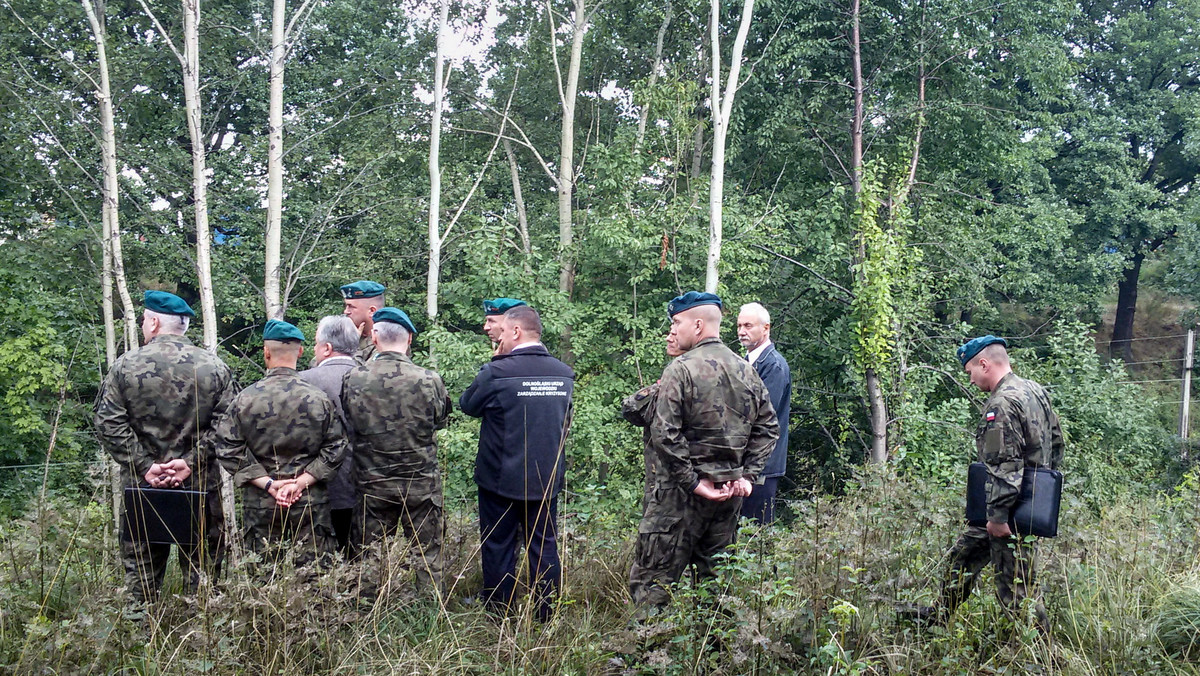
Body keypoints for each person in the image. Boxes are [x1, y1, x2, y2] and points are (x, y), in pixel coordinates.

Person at [629, 291, 779, 609]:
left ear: (698, 325)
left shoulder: (681, 370)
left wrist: (694, 482)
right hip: (727, 500)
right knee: (715, 592)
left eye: (676, 322)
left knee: (652, 587)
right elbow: (768, 429)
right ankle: (712, 658)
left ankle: (644, 657)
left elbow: (664, 433)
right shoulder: (746, 370)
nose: (674, 329)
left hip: (676, 501)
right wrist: (747, 477)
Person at [907, 335, 1064, 629]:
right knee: (961, 558)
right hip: (1024, 505)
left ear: (983, 363)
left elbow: (1006, 464)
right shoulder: (1035, 390)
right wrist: (1042, 490)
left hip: (1009, 512)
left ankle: (1042, 655)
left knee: (1017, 588)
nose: (970, 379)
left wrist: (999, 516)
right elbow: (1056, 443)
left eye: (969, 372)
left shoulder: (1002, 403)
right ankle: (938, 619)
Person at [94, 290, 236, 602]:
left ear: (155, 322)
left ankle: (141, 640)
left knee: (141, 576)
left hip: (142, 485)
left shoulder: (125, 366)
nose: (144, 326)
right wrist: (190, 462)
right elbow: (229, 425)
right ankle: (203, 641)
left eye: (145, 321)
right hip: (198, 484)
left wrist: (145, 466)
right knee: (204, 575)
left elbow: (107, 422)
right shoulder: (213, 366)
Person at [459, 305, 574, 620]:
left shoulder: (497, 371)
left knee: (498, 544)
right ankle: (545, 614)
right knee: (544, 545)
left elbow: (468, 404)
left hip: (500, 479)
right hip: (545, 479)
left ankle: (498, 612)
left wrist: (494, 362)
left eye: (504, 331)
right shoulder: (563, 373)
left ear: (515, 332)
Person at [215, 319, 348, 570]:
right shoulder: (318, 399)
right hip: (310, 502)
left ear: (266, 352)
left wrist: (269, 484)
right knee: (314, 577)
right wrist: (301, 482)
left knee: (263, 578)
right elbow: (337, 446)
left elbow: (226, 446)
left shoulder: (246, 399)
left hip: (262, 503)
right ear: (300, 352)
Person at [341, 307, 450, 595]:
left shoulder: (354, 378)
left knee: (370, 555)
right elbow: (440, 421)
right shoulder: (429, 379)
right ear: (410, 338)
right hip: (420, 482)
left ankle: (367, 613)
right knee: (427, 555)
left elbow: (349, 420)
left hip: (372, 482)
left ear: (374, 336)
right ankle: (430, 614)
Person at [298, 315, 360, 555]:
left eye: (315, 343)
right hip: (363, 486)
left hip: (313, 486)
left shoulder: (303, 381)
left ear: (326, 348)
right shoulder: (370, 377)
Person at [735, 302, 792, 524]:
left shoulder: (774, 365)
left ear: (766, 328)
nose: (741, 331)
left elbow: (763, 417)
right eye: (739, 325)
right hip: (745, 464)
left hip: (763, 466)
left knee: (756, 535)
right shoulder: (747, 363)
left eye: (748, 325)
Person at [341, 280, 386, 363]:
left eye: (351, 307)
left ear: (372, 311)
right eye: (346, 306)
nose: (346, 311)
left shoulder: (387, 341)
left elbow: (361, 374)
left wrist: (352, 345)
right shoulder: (344, 335)